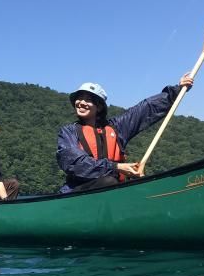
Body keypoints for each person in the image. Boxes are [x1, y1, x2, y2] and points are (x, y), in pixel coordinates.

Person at [57, 74, 194, 193]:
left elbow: (146, 109)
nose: (81, 102)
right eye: (79, 99)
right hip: (79, 191)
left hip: (112, 189)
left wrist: (176, 91)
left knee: (143, 183)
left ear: (98, 107)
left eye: (87, 99)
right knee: (109, 182)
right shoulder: (69, 132)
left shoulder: (116, 128)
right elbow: (74, 163)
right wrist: (116, 167)